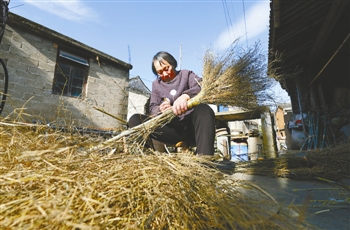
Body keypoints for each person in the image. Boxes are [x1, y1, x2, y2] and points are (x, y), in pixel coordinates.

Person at [128, 51, 216, 155]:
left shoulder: (186, 74)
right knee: (135, 119)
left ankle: (205, 160)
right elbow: (152, 108)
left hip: (192, 128)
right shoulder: (156, 84)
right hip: (171, 130)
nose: (165, 74)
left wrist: (186, 96)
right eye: (160, 72)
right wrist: (160, 109)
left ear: (172, 64)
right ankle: (148, 160)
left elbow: (202, 85)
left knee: (204, 109)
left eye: (167, 68)